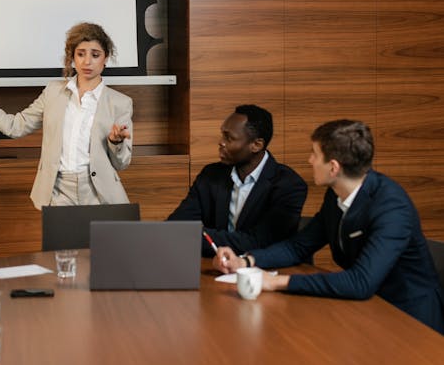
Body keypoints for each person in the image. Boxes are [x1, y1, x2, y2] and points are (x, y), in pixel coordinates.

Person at [217, 119, 444, 334]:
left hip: (411, 319)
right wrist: (246, 261)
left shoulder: (392, 207)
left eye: (314, 154)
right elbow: (299, 246)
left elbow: (360, 282)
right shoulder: (336, 195)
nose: (310, 160)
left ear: (333, 167)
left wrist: (276, 282)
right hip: (372, 307)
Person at [0, 22, 132, 207]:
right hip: (58, 190)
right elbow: (15, 127)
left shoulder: (120, 103)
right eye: (80, 54)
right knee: (61, 238)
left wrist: (116, 142)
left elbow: (122, 163)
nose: (87, 62)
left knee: (99, 238)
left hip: (99, 193)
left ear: (106, 58)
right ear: (72, 57)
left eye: (95, 55)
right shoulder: (53, 92)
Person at [168, 104, 307, 258]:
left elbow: (259, 243)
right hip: (215, 268)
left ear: (256, 145)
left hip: (264, 273)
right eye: (222, 135)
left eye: (229, 138)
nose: (221, 142)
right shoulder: (210, 175)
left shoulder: (289, 185)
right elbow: (175, 227)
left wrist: (196, 235)